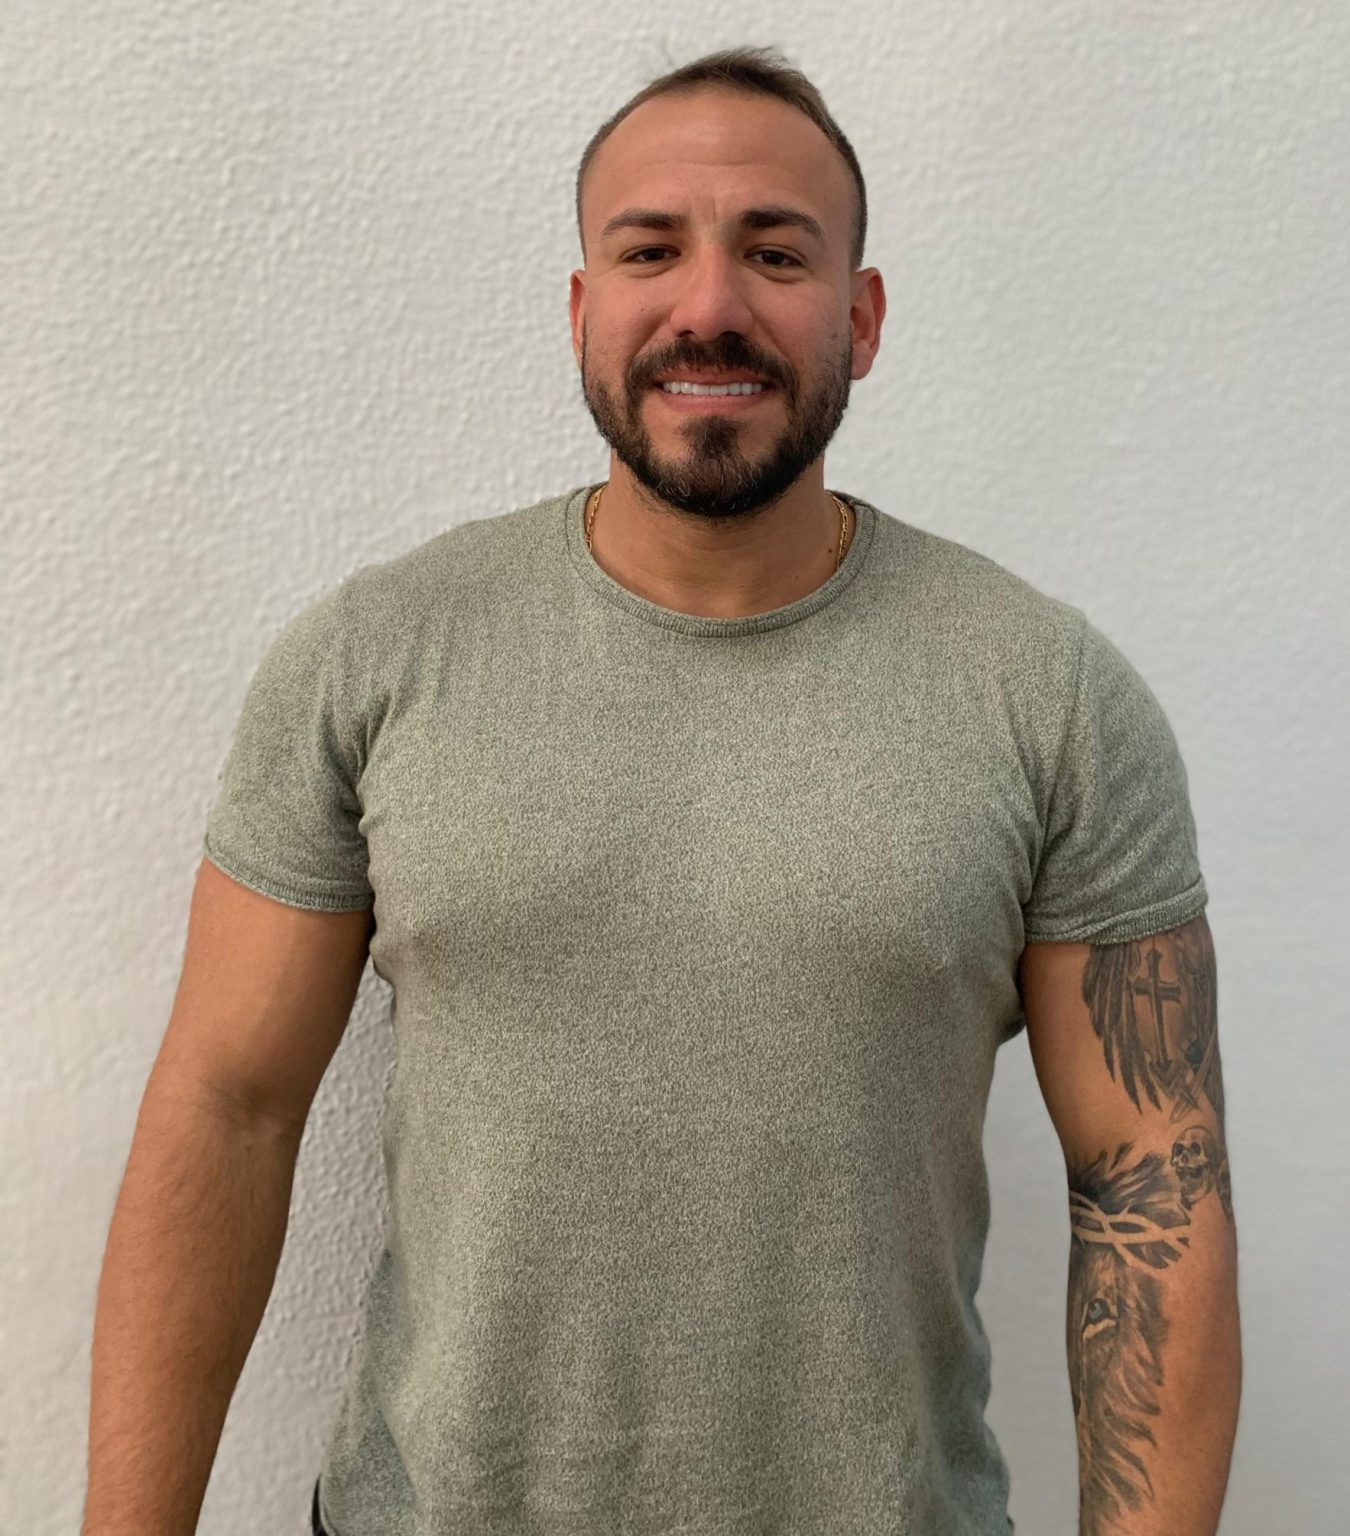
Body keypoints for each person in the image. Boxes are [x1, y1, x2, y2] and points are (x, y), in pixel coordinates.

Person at [85, 45, 1240, 1536]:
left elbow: (1151, 1178)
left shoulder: (1048, 693)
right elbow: (227, 1110)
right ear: (581, 310)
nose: (708, 305)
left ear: (860, 317)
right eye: (650, 250)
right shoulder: (375, 657)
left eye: (775, 252)